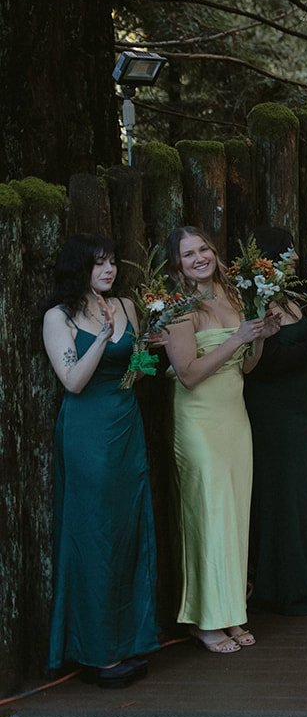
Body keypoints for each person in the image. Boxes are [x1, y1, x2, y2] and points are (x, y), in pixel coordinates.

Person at [41, 234, 160, 688]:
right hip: (88, 431)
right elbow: (71, 380)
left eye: (111, 262)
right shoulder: (59, 317)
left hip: (126, 423)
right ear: (78, 269)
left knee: (130, 531)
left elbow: (137, 365)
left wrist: (150, 349)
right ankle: (97, 653)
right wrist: (103, 338)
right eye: (98, 264)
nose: (109, 270)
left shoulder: (127, 305)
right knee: (95, 537)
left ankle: (130, 639)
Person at [164, 225, 279, 653]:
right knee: (208, 516)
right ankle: (205, 619)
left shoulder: (232, 296)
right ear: (177, 263)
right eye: (188, 253)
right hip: (199, 421)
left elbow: (246, 367)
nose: (199, 258)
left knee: (234, 517)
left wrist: (259, 340)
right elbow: (189, 375)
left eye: (204, 249)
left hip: (235, 417)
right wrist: (237, 338)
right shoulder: (179, 308)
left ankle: (231, 613)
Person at [241, 226, 307, 616]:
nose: (296, 256)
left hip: (303, 403)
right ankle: (283, 587)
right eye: (288, 249)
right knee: (283, 496)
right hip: (273, 411)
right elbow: (266, 365)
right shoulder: (255, 301)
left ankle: (305, 578)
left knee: (305, 495)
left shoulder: (296, 300)